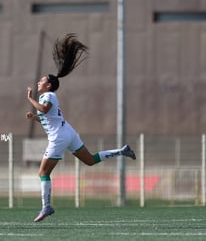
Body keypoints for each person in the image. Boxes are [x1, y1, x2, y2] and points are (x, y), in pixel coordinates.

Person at [25, 33, 136, 222]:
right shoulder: (48, 97)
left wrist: (30, 99)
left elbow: (44, 108)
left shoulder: (48, 96)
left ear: (49, 85)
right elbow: (46, 116)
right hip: (67, 132)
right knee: (90, 160)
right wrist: (34, 117)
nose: (38, 82)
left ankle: (46, 207)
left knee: (43, 173)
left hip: (60, 136)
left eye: (41, 81)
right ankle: (122, 150)